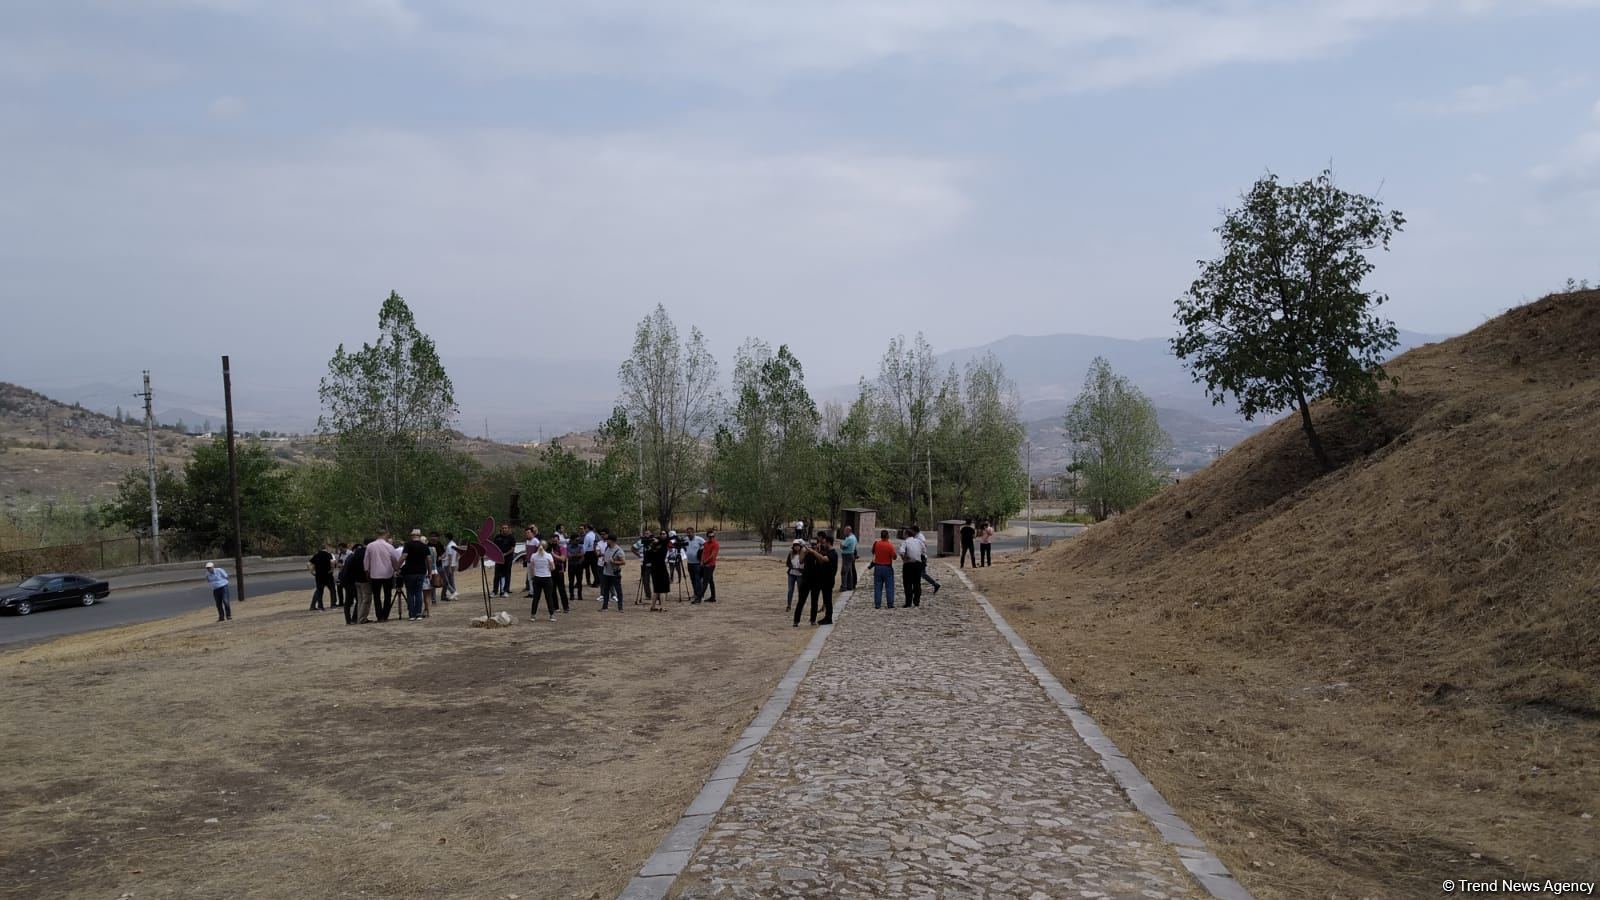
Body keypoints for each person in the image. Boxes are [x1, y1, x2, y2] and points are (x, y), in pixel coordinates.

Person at [794, 532, 838, 627]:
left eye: (817, 543)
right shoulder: (806, 552)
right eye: (813, 544)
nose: (815, 545)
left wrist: (815, 552)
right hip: (806, 580)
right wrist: (805, 551)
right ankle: (796, 621)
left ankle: (813, 620)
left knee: (815, 602)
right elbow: (800, 561)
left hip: (817, 581)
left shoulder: (824, 553)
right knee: (801, 600)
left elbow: (822, 560)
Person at [366, 530, 400, 621]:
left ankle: (379, 616)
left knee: (376, 596)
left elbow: (366, 562)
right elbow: (395, 559)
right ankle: (385, 615)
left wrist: (367, 572)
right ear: (386, 535)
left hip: (374, 574)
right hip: (387, 574)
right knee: (387, 595)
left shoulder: (370, 546)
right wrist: (397, 569)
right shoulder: (389, 546)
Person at [400, 528, 431, 621]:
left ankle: (411, 614)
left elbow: (404, 556)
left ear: (411, 536)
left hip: (409, 572)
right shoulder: (424, 546)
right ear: (419, 536)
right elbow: (429, 559)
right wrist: (430, 572)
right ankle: (418, 614)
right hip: (421, 571)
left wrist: (397, 567)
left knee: (410, 593)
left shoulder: (407, 545)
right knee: (418, 592)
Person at [340, 539, 369, 624]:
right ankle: (351, 619)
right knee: (351, 601)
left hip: (348, 581)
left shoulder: (351, 557)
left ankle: (352, 619)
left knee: (354, 601)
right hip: (350, 582)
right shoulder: (353, 557)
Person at [529, 540, 558, 621]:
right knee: (549, 597)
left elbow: (532, 568)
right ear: (546, 547)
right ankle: (551, 615)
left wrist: (533, 576)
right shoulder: (548, 556)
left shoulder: (533, 556)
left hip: (537, 578)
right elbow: (553, 567)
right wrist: (548, 569)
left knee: (536, 598)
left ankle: (533, 615)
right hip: (547, 578)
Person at [899, 526, 927, 608]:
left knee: (907, 584)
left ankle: (908, 602)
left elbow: (901, 552)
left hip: (908, 564)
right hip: (917, 564)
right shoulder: (919, 542)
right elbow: (924, 551)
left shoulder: (905, 542)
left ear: (907, 534)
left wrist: (904, 559)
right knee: (917, 583)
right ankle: (917, 601)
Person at [600, 532, 627, 611]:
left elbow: (623, 562)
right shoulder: (607, 548)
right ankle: (605, 606)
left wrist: (614, 562)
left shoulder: (619, 550)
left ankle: (620, 607)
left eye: (608, 539)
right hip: (606, 572)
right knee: (606, 590)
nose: (606, 541)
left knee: (618, 590)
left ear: (612, 540)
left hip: (614, 574)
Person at [870, 529, 896, 609]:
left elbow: (873, 552)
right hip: (887, 567)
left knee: (877, 586)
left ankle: (877, 604)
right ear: (888, 536)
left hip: (878, 567)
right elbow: (894, 557)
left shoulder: (876, 544)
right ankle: (890, 603)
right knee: (889, 587)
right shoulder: (890, 545)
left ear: (881, 536)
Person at [646, 535, 671, 612]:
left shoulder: (651, 549)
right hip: (661, 568)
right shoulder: (662, 548)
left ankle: (653, 606)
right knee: (663, 589)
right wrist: (658, 541)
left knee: (656, 589)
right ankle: (663, 607)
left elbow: (647, 557)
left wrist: (652, 544)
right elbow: (665, 542)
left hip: (654, 569)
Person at [308, 542, 335, 611]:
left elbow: (309, 564)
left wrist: (312, 572)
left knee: (320, 591)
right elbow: (332, 562)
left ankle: (320, 606)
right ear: (326, 548)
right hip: (328, 575)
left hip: (319, 576)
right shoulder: (328, 555)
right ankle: (333, 605)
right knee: (332, 590)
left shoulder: (316, 555)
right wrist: (331, 570)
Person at [492, 524, 516, 597]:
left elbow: (512, 549)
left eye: (506, 528)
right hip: (499, 559)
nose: (504, 529)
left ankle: (505, 591)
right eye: (503, 528)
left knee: (507, 574)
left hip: (508, 559)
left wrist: (505, 554)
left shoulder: (511, 537)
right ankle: (494, 591)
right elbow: (494, 547)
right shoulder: (497, 537)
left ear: (508, 529)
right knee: (497, 575)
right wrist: (497, 555)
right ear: (501, 529)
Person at [696, 529, 720, 603]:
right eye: (710, 536)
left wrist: (705, 561)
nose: (712, 538)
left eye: (713, 536)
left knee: (705, 581)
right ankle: (713, 597)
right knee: (710, 581)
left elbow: (712, 555)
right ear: (707, 537)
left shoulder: (716, 544)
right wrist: (702, 561)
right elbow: (703, 552)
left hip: (710, 565)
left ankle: (699, 598)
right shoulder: (706, 544)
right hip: (705, 564)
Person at [551, 535, 571, 612]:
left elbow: (563, 558)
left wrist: (553, 554)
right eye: (553, 541)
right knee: (552, 590)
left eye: (556, 541)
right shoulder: (550, 548)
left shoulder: (562, 548)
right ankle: (556, 607)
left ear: (559, 541)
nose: (554, 542)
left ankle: (566, 607)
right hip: (551, 571)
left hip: (559, 571)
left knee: (561, 590)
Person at [784, 538, 806, 611]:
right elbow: (787, 563)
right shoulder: (791, 553)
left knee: (800, 590)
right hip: (792, 573)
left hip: (800, 574)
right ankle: (789, 605)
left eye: (798, 545)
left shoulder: (803, 553)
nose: (796, 547)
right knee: (790, 590)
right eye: (795, 546)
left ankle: (800, 605)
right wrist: (792, 567)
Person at [684, 528, 705, 600]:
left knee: (698, 580)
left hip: (697, 564)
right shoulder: (686, 539)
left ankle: (700, 595)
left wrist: (701, 550)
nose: (688, 534)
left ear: (693, 532)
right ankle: (695, 593)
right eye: (687, 532)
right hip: (689, 563)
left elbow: (705, 545)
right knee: (692, 580)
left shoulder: (699, 539)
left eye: (690, 532)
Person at [567, 531, 586, 603]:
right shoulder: (568, 547)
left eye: (578, 540)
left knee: (579, 581)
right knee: (571, 581)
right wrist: (578, 555)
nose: (578, 541)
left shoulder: (580, 546)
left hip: (578, 565)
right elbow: (569, 556)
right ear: (572, 540)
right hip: (571, 566)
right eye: (576, 540)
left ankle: (579, 595)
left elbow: (582, 555)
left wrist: (574, 555)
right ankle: (571, 595)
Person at [838, 526, 858, 591]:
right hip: (850, 554)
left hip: (847, 555)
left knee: (844, 571)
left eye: (844, 531)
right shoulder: (854, 537)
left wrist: (841, 544)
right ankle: (850, 586)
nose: (844, 532)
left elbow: (842, 546)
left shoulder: (849, 538)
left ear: (848, 531)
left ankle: (844, 586)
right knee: (849, 572)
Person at [441, 535, 459, 600]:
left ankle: (453, 592)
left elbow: (450, 557)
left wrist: (449, 566)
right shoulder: (455, 544)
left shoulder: (449, 546)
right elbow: (457, 554)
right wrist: (455, 562)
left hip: (448, 565)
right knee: (451, 580)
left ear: (447, 538)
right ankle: (454, 594)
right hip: (453, 564)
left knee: (446, 580)